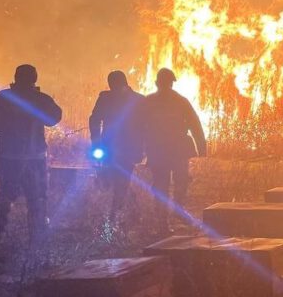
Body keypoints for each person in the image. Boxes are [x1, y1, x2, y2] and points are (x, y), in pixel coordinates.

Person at [0, 64, 62, 251]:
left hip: (9, 158)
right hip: (35, 158)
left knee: (5, 194)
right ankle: (37, 241)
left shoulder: (2, 99)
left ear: (15, 77)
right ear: (34, 79)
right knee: (36, 198)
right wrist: (40, 101)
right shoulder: (40, 99)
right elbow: (54, 119)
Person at [139, 67, 207, 232]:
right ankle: (166, 218)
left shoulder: (154, 101)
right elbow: (195, 125)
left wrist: (140, 148)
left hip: (164, 150)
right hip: (170, 149)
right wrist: (201, 146)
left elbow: (194, 124)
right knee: (172, 182)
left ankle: (171, 214)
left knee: (172, 182)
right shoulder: (177, 101)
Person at [89, 71, 144, 223]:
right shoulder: (105, 98)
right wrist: (96, 141)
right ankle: (127, 206)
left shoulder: (138, 100)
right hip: (109, 147)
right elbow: (94, 119)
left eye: (116, 86)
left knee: (122, 181)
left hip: (128, 149)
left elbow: (146, 126)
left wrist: (142, 148)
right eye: (112, 86)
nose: (114, 89)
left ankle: (115, 216)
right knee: (108, 181)